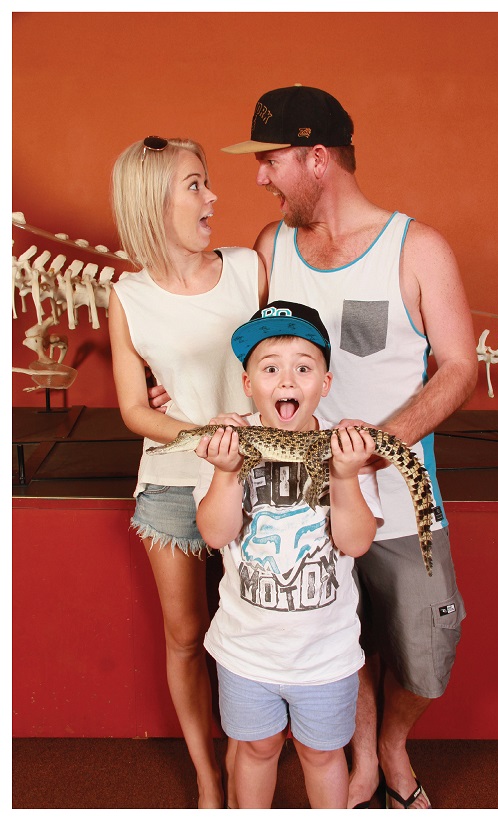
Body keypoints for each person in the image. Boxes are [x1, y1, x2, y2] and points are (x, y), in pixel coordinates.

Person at [223, 85, 478, 810]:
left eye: (270, 160)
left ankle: (392, 739)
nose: (260, 177)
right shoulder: (272, 247)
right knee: (338, 645)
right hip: (297, 507)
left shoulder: (417, 247)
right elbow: (249, 357)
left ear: (318, 158)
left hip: (400, 503)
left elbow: (461, 366)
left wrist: (375, 449)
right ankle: (366, 757)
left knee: (428, 658)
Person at [109, 135, 266, 808]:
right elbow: (135, 412)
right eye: (196, 185)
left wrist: (241, 435)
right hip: (172, 479)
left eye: (208, 182)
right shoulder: (128, 296)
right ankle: (208, 775)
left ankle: (252, 754)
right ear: (154, 203)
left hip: (257, 478)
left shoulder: (249, 270)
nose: (214, 197)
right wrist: (207, 430)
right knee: (185, 636)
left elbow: (293, 358)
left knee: (255, 627)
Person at [194, 302, 379, 809]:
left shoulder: (346, 446)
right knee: (256, 747)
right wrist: (226, 472)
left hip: (326, 655)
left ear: (326, 381)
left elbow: (356, 542)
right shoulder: (225, 444)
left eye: (303, 366)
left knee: (323, 755)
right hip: (245, 651)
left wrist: (344, 475)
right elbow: (215, 534)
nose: (287, 379)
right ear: (248, 382)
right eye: (270, 367)